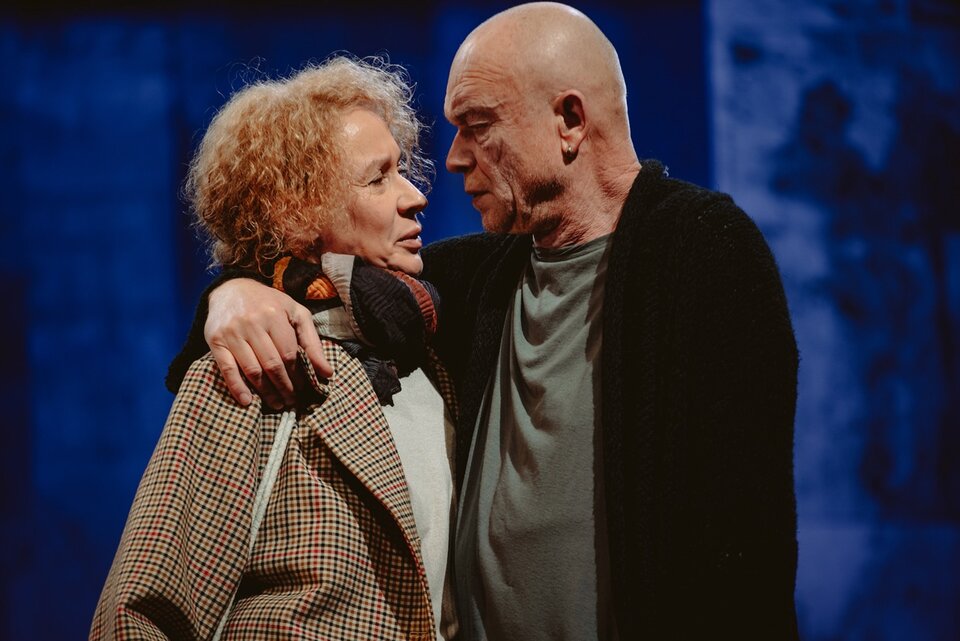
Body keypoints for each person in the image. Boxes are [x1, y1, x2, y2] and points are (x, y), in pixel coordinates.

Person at [168, 3, 800, 639]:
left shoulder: (701, 250)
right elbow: (322, 283)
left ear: (570, 121)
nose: (452, 158)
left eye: (477, 126)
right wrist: (233, 292)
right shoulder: (473, 278)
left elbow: (745, 544)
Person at [92, 57, 459, 640]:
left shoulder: (432, 356)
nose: (415, 196)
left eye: (403, 169)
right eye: (378, 178)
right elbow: (137, 612)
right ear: (297, 212)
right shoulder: (250, 366)